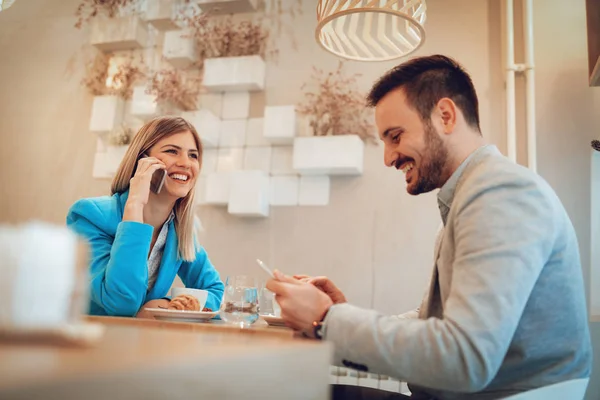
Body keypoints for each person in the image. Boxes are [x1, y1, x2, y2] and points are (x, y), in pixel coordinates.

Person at [266, 55, 592, 399]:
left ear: (445, 116)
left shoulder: (501, 193)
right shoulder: (475, 195)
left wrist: (328, 319)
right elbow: (434, 328)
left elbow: (464, 358)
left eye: (395, 136)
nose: (388, 158)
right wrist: (340, 314)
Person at [67, 116, 224, 317]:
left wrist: (167, 304)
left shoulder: (179, 231)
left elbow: (217, 294)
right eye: (172, 151)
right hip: (91, 342)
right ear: (142, 161)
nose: (186, 163)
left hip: (144, 342)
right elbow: (121, 304)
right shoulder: (90, 216)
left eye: (193, 155)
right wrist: (135, 205)